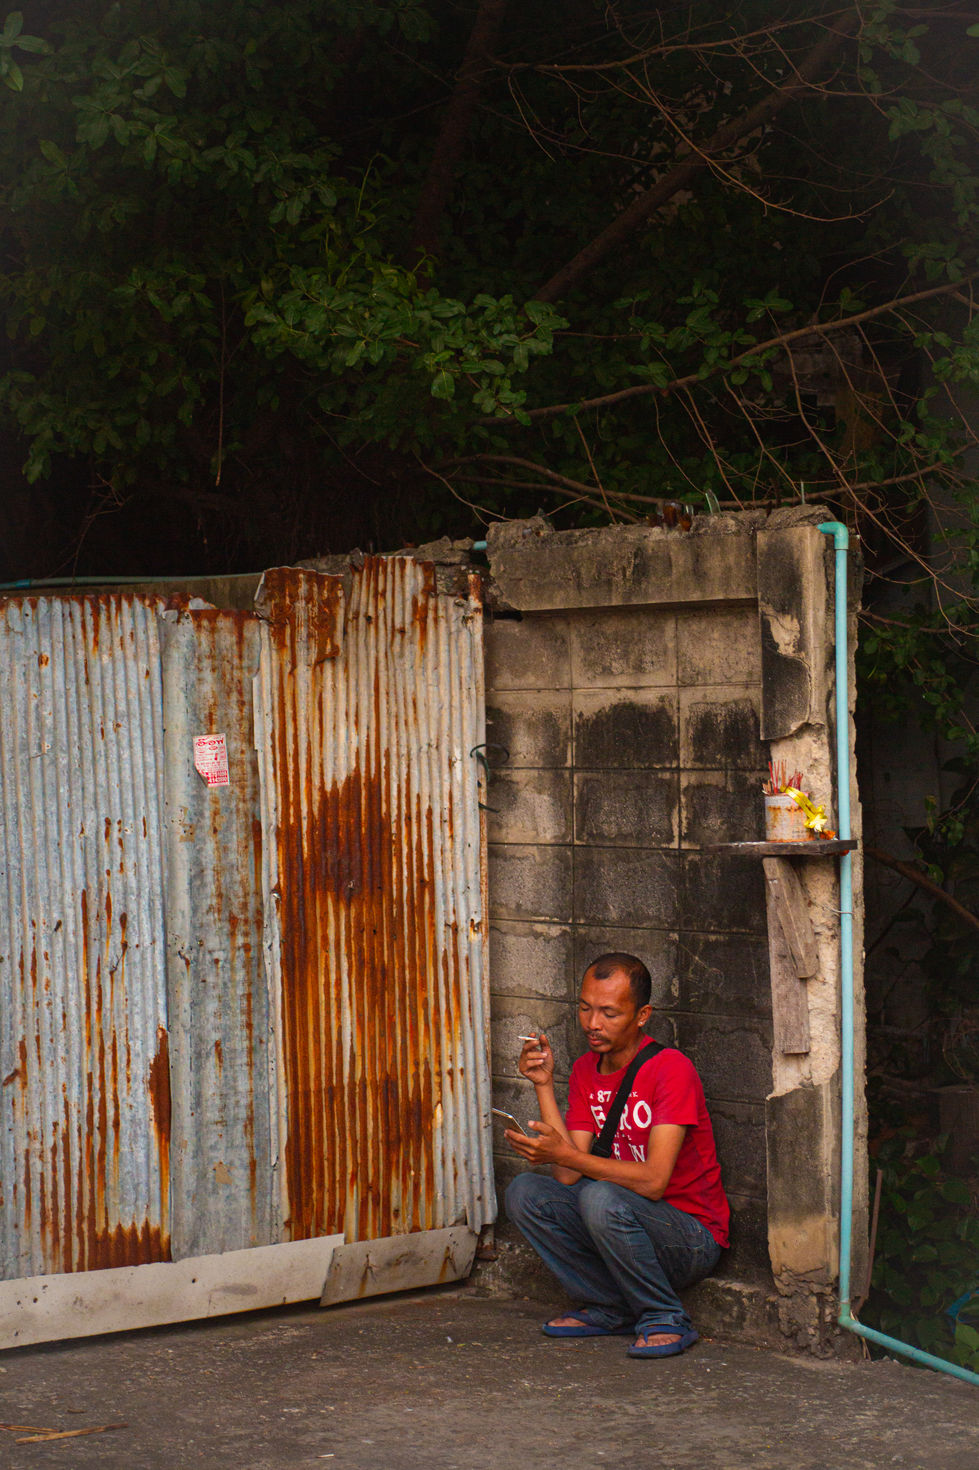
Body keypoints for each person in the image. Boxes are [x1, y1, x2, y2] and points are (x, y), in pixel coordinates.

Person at [503, 951, 729, 1359]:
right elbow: (567, 1176)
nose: (593, 1023)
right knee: (525, 1192)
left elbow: (654, 1182)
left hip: (690, 1238)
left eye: (609, 1013)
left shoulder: (670, 1069)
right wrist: (543, 1084)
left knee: (600, 1195)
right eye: (585, 1008)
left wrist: (566, 1156)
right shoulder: (585, 1070)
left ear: (642, 1015)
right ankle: (610, 1307)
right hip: (619, 1223)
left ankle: (664, 1315)